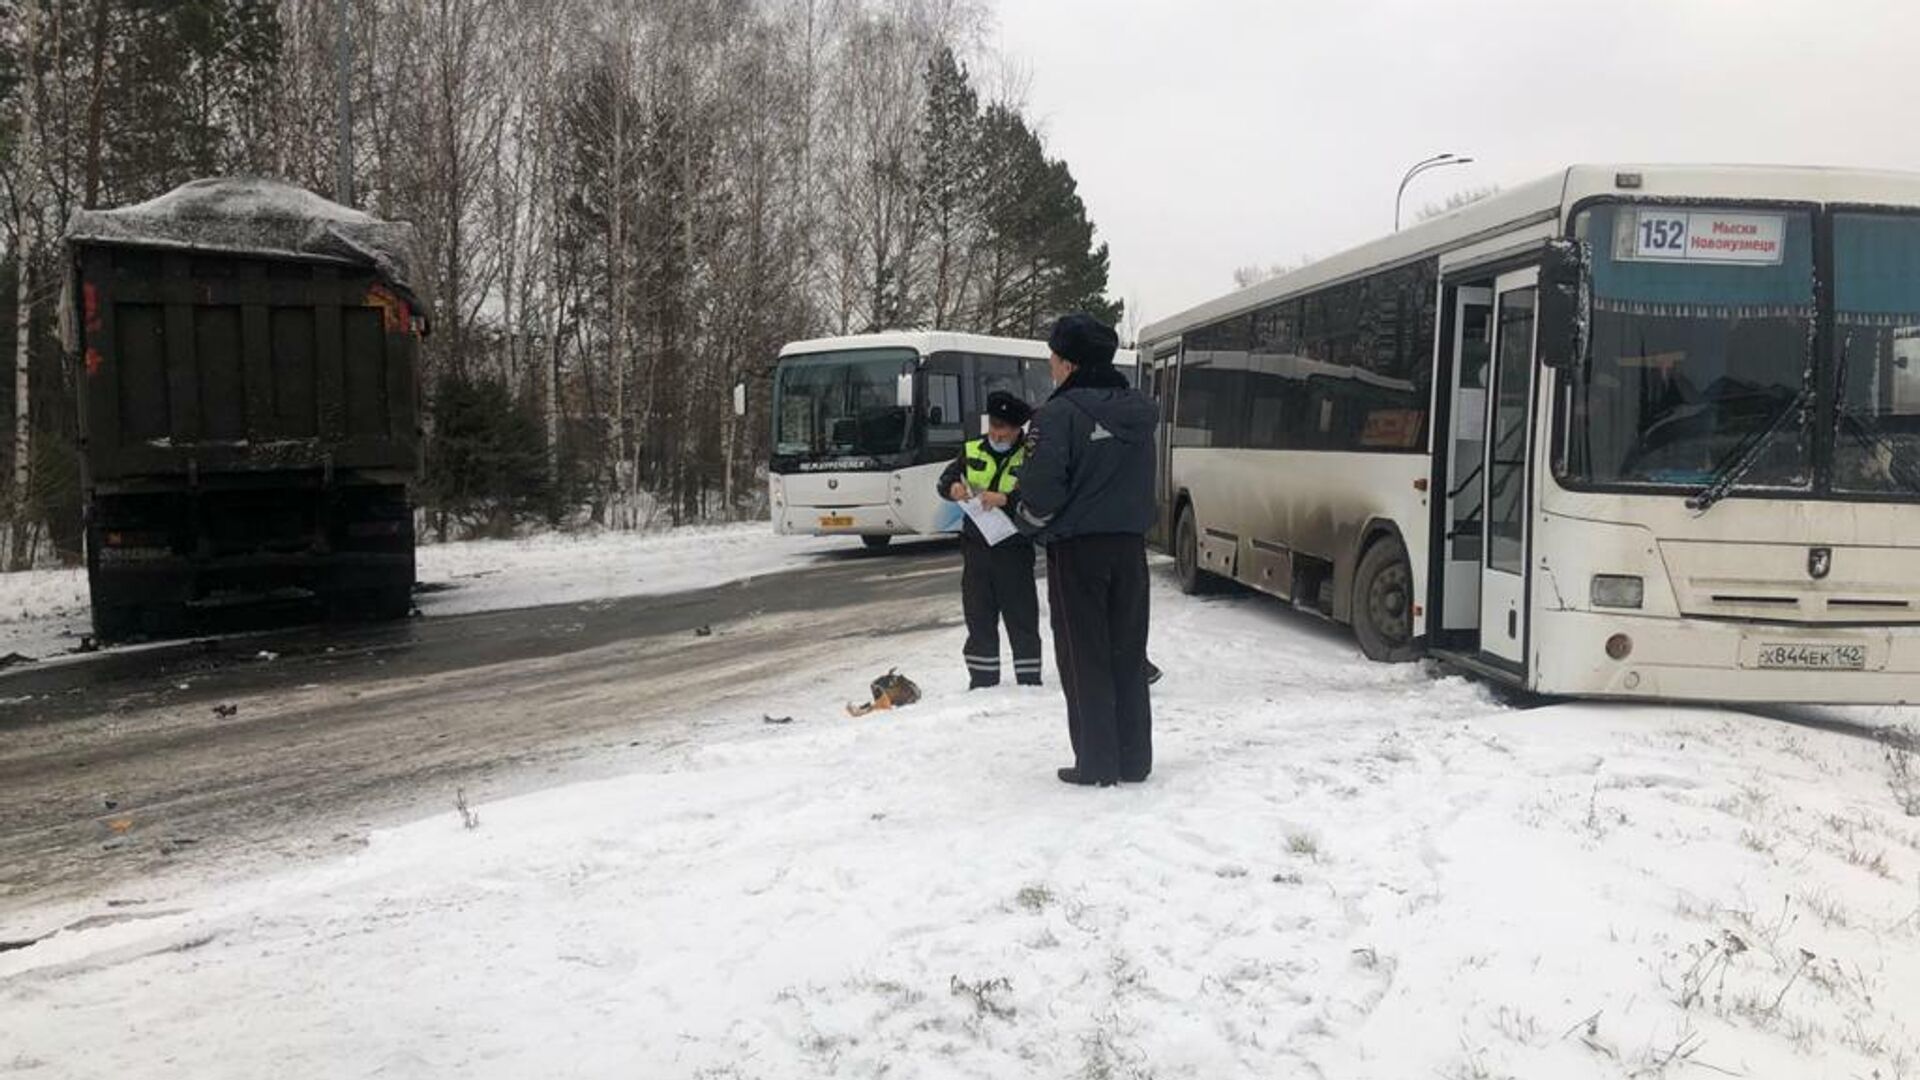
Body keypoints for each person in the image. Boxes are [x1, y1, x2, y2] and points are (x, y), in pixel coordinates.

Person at [1007, 314, 1159, 787]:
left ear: (1069, 362)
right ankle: (1134, 759)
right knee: (1128, 653)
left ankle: (1096, 761)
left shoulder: (1057, 416)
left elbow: (1040, 494)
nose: (1050, 366)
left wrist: (1025, 524)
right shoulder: (1139, 410)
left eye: (1053, 357)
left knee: (1083, 656)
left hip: (1077, 552)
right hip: (1131, 548)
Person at [936, 390, 1042, 689]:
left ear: (1017, 429)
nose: (996, 433)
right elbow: (945, 481)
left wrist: (1006, 499)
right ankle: (982, 680)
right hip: (976, 548)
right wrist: (953, 488)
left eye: (1003, 429)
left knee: (1021, 617)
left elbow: (1039, 495)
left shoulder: (1031, 455)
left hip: (1014, 548)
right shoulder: (971, 450)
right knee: (978, 616)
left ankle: (1029, 679)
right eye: (993, 426)